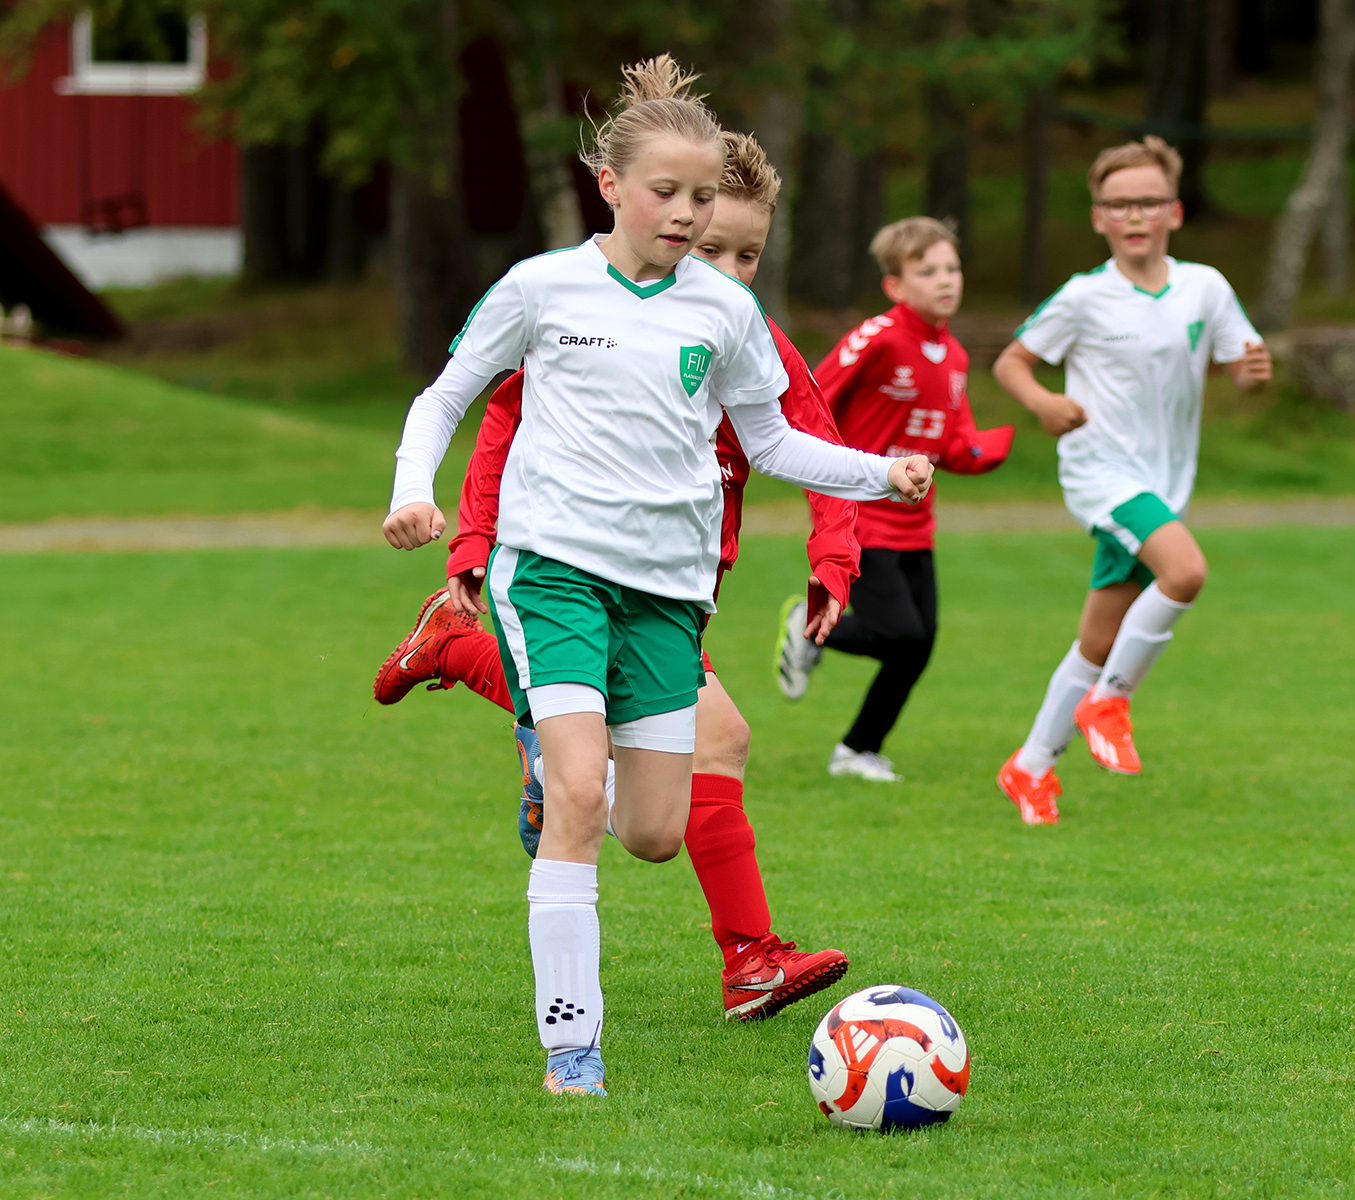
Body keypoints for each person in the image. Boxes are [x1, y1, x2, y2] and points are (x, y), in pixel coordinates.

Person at [382, 57, 934, 1098]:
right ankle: (572, 1052)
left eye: (700, 197)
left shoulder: (722, 316)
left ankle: (527, 727)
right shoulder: (543, 288)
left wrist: (880, 474)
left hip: (668, 596)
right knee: (581, 800)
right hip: (551, 571)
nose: (684, 215)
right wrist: (419, 493)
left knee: (652, 831)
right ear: (611, 184)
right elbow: (449, 396)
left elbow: (777, 438)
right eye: (667, 194)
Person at [990, 136, 1272, 826]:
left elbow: (1239, 361)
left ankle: (1029, 768)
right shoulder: (1084, 298)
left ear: (1174, 211)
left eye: (1147, 202)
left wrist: (1250, 375)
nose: (1134, 215)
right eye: (1119, 204)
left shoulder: (1205, 286)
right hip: (1100, 472)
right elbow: (1011, 364)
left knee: (1096, 637)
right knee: (1186, 571)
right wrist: (1044, 403)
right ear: (1098, 218)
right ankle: (1110, 702)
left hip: (1164, 483)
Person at [773, 217, 1014, 783]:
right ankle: (808, 628)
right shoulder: (877, 337)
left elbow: (952, 443)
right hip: (863, 512)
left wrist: (991, 448)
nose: (945, 280)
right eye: (926, 271)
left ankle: (857, 750)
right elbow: (812, 396)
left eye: (951, 268)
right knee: (898, 634)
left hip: (915, 521)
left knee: (918, 643)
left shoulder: (953, 354)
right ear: (895, 286)